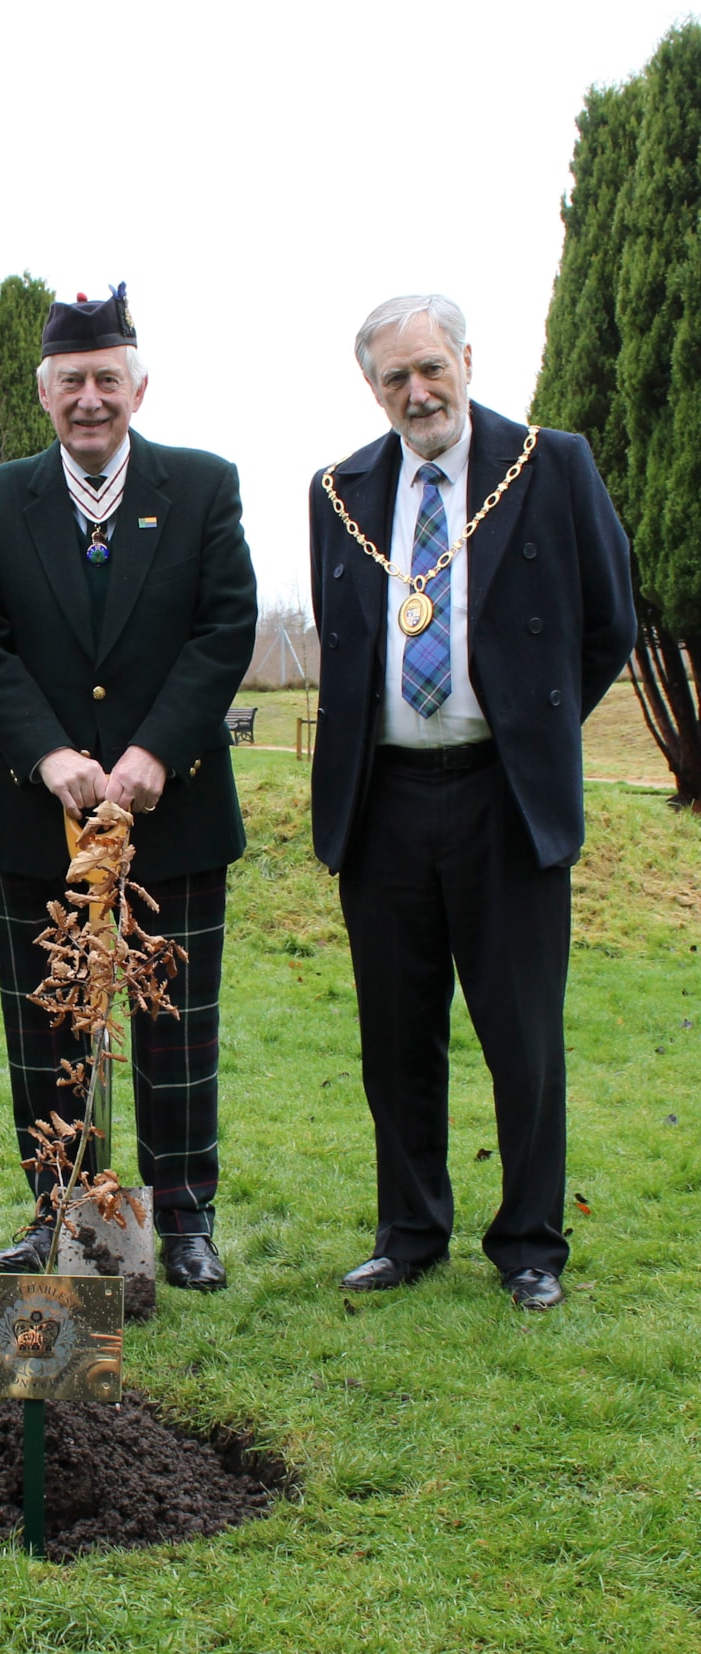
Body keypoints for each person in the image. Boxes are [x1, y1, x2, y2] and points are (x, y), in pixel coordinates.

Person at [309, 294, 636, 1310]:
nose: (419, 393)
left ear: (466, 359)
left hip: (507, 795)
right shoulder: (340, 490)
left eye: (432, 369)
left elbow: (610, 620)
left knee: (521, 1033)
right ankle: (410, 1231)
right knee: (395, 1034)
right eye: (395, 378)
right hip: (387, 802)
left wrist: (533, 725)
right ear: (372, 387)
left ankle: (531, 1244)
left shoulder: (552, 465)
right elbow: (347, 643)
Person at [0, 285, 257, 1290]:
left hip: (174, 815)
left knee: (174, 1030)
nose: (91, 399)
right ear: (45, 393)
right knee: (47, 1030)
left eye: (107, 379)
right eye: (72, 381)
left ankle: (184, 1221)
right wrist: (48, 758)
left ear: (139, 385)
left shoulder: (204, 487)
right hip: (38, 819)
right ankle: (59, 1216)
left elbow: (223, 631)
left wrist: (155, 754)